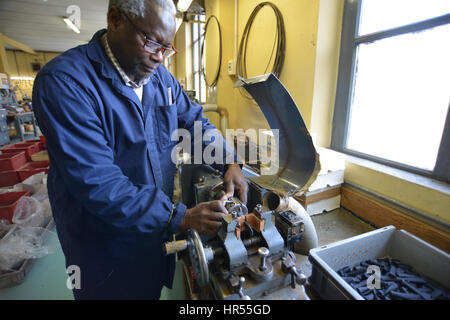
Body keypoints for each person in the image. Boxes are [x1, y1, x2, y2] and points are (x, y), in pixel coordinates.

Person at [32, 0, 248, 300]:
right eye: (151, 42)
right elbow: (99, 183)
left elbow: (194, 122)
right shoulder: (66, 83)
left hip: (152, 236)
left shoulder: (160, 80)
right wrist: (178, 218)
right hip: (103, 249)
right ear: (115, 19)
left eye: (167, 47)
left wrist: (229, 162)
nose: (160, 57)